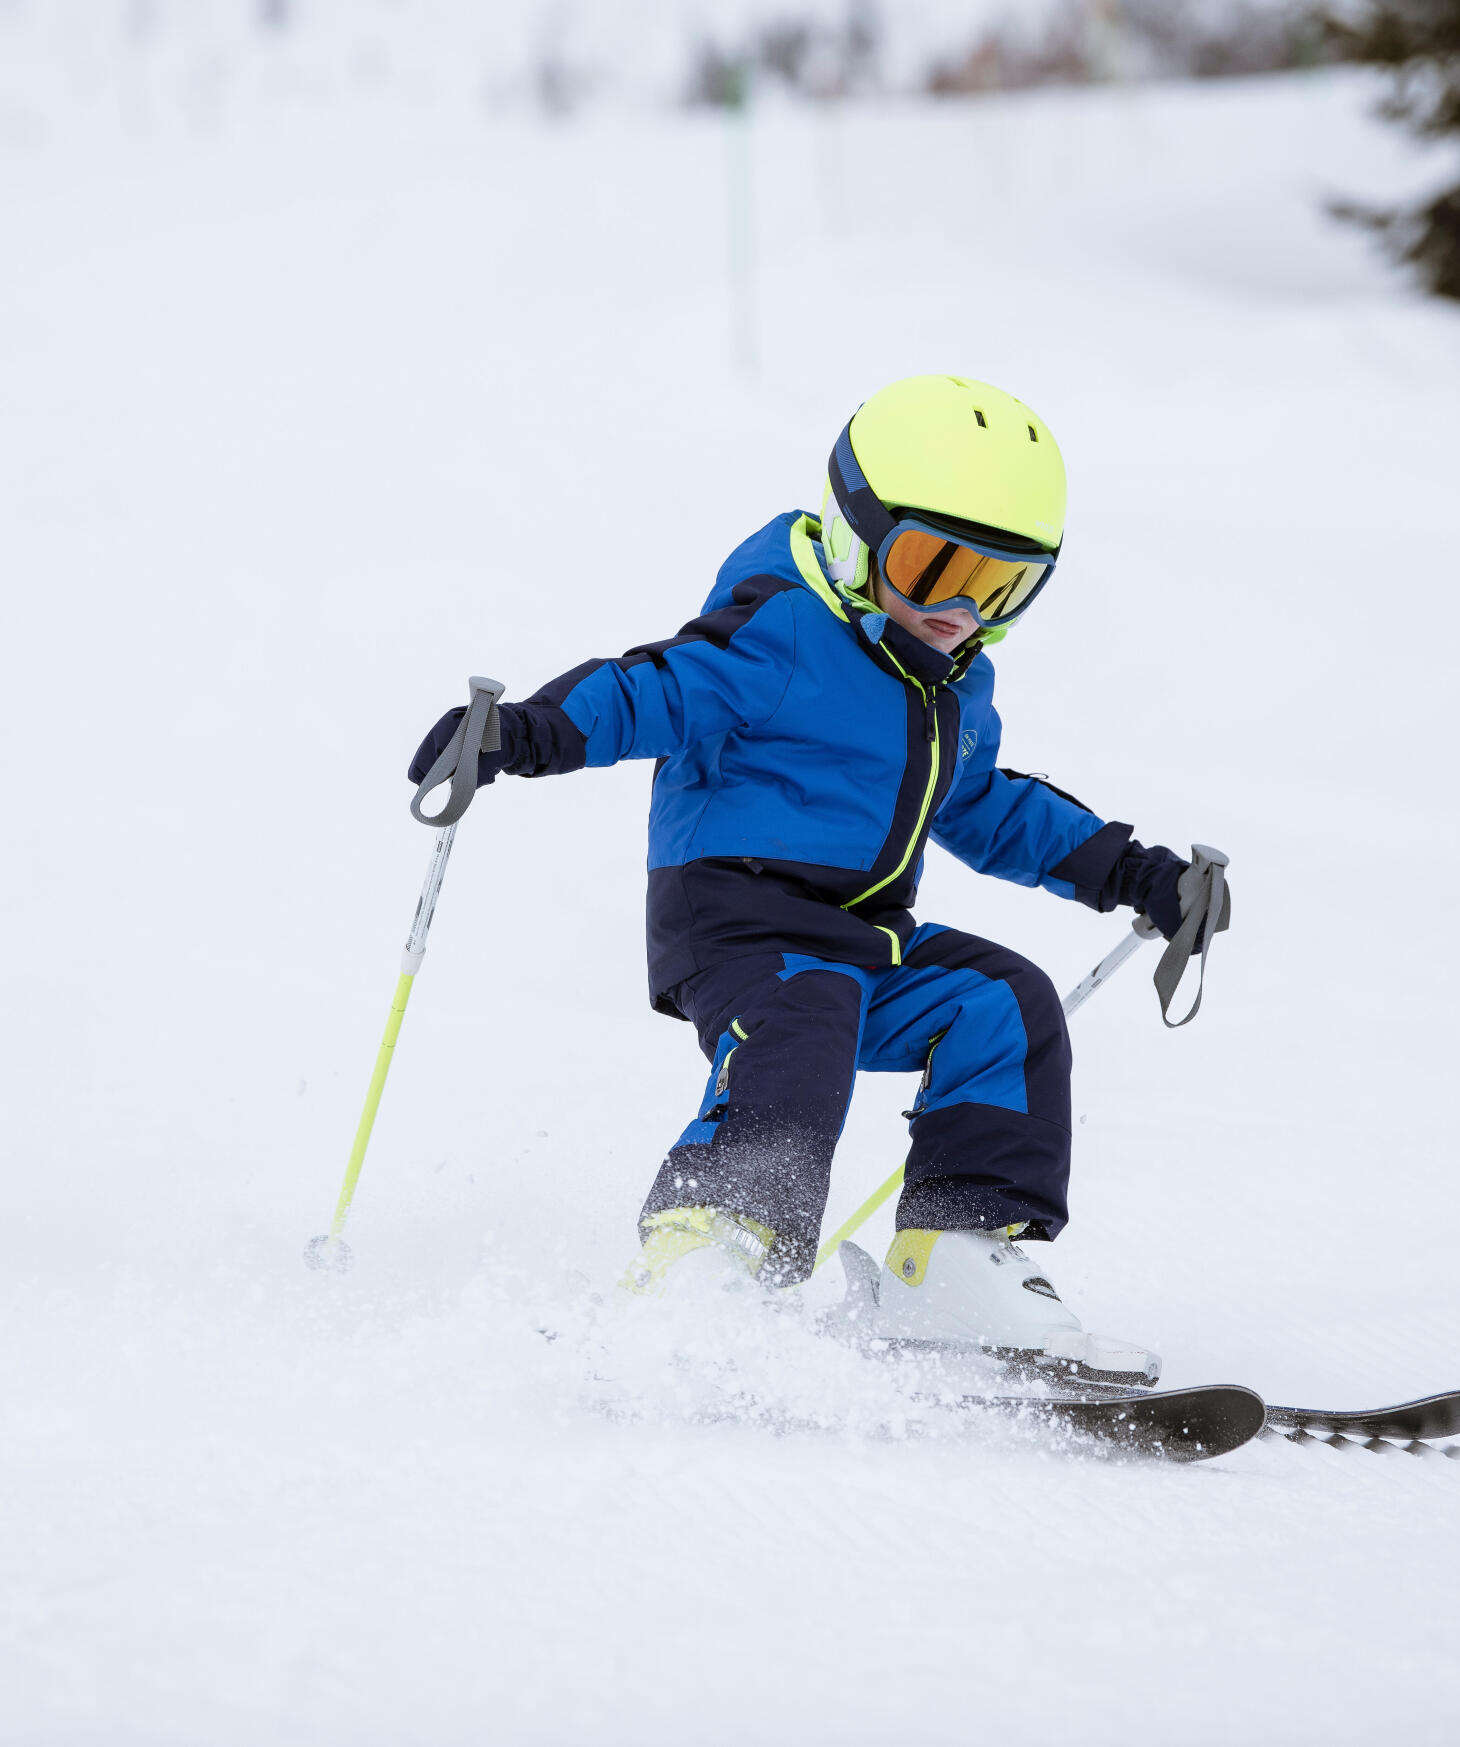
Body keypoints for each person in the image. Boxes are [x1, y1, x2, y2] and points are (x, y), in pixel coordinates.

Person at [409, 375, 1225, 1386]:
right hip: (737, 921)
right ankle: (706, 1246)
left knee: (1001, 1003)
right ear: (854, 531)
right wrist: (523, 732)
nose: (962, 610)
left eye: (1003, 585)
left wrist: (1134, 873)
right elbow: (653, 690)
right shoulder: (781, 631)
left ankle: (953, 1254)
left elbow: (982, 806)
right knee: (807, 1016)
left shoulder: (955, 686)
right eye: (935, 567)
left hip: (862, 937)